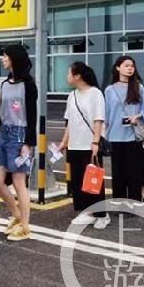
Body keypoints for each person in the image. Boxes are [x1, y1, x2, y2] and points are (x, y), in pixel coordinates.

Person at [0, 45, 37, 242]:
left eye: (5, 56)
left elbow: (32, 115)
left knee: (19, 183)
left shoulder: (28, 84)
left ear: (14, 59)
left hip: (20, 134)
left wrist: (29, 142)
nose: (2, 59)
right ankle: (17, 216)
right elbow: (3, 113)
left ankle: (25, 226)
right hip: (4, 134)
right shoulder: (4, 83)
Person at [59, 62, 109, 230]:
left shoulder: (95, 93)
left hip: (89, 144)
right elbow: (69, 122)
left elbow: (98, 119)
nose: (67, 77)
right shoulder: (71, 96)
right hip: (74, 145)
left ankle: (102, 214)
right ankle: (87, 212)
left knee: (94, 180)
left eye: (69, 74)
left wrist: (96, 141)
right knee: (79, 180)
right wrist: (64, 142)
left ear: (77, 76)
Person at [104, 55, 144, 204]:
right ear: (118, 68)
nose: (130, 68)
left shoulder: (139, 87)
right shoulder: (109, 90)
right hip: (114, 136)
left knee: (133, 171)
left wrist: (136, 117)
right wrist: (102, 136)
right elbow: (105, 114)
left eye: (132, 66)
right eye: (126, 65)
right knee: (118, 172)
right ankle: (118, 201)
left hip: (133, 136)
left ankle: (134, 201)